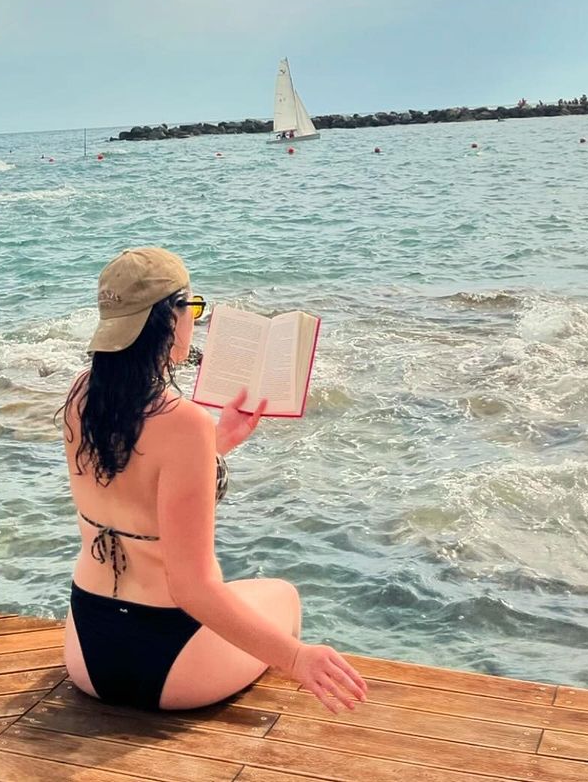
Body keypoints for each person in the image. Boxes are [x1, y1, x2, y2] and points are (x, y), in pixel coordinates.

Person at [60, 246, 367, 715]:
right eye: (193, 308)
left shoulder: (81, 394)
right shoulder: (184, 423)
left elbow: (135, 480)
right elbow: (191, 589)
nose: (195, 320)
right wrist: (296, 658)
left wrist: (218, 443)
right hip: (171, 662)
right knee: (283, 596)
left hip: (87, 650)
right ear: (170, 318)